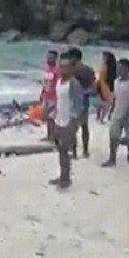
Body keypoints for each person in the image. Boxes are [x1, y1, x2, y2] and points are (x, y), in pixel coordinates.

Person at [47, 52, 85, 189]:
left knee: (66, 150)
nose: (63, 69)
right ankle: (63, 175)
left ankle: (66, 178)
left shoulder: (74, 84)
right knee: (60, 150)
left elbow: (79, 106)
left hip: (69, 121)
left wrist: (74, 123)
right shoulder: (59, 81)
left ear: (71, 68)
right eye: (61, 66)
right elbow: (58, 100)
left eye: (66, 67)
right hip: (59, 119)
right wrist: (52, 112)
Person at [102, 58, 129, 167]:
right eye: (118, 68)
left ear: (127, 69)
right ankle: (112, 158)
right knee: (113, 136)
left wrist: (125, 114)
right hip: (117, 113)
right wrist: (111, 111)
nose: (119, 70)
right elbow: (115, 98)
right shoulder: (116, 82)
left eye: (121, 68)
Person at [66, 47, 96, 158]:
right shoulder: (89, 70)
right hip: (84, 100)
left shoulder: (71, 70)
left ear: (73, 58)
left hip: (73, 101)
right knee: (84, 126)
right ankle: (85, 150)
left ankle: (73, 152)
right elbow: (93, 87)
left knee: (72, 128)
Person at [39, 50, 60, 141]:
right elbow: (45, 84)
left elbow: (59, 84)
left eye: (50, 57)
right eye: (48, 57)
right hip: (46, 96)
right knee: (47, 117)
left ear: (55, 59)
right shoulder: (47, 70)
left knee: (52, 118)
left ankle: (53, 136)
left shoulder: (57, 71)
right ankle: (49, 135)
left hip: (54, 97)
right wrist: (41, 94)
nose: (48, 59)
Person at [95, 51, 117, 122]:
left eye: (105, 56)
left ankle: (101, 117)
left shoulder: (109, 66)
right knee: (100, 103)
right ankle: (99, 117)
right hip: (101, 84)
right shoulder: (103, 65)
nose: (103, 58)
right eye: (103, 56)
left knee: (105, 103)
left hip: (106, 85)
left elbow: (111, 77)